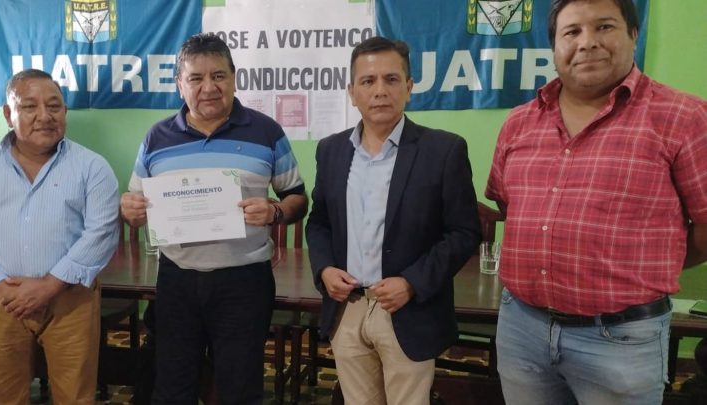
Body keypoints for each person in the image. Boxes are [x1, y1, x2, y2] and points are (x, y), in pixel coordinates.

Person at [485, 0, 707, 403]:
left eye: (604, 27)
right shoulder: (519, 122)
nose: (587, 42)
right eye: (571, 32)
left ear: (633, 35)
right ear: (554, 46)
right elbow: (509, 208)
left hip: (622, 338)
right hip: (522, 328)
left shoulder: (684, 117)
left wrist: (645, 264)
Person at [120, 33, 308, 404]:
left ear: (234, 78)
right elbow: (135, 202)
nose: (209, 87)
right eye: (196, 78)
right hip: (177, 280)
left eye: (218, 76)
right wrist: (131, 211)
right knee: (172, 387)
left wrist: (275, 211)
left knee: (240, 389)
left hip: (244, 282)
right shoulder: (157, 137)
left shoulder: (266, 131)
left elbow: (298, 199)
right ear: (180, 84)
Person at [305, 36, 481, 405]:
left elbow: (464, 232)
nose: (380, 91)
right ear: (352, 92)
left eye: (391, 79)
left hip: (406, 309)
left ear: (409, 87)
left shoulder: (443, 150)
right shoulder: (331, 150)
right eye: (368, 81)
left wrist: (412, 283)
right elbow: (318, 222)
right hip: (348, 308)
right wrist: (324, 269)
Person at [0, 68, 120, 404]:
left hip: (70, 300)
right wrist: (1, 287)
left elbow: (102, 232)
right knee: (2, 396)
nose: (45, 116)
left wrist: (49, 286)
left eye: (54, 106)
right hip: (1, 300)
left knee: (75, 397)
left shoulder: (92, 167)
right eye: (29, 106)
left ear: (64, 112)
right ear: (8, 114)